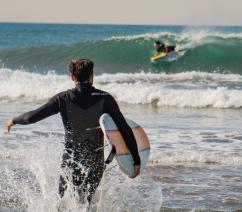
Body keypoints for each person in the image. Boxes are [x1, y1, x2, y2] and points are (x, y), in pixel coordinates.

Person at [6, 59, 141, 203]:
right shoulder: (105, 98)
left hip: (71, 160)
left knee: (63, 202)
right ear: (92, 75)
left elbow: (32, 117)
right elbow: (124, 129)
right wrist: (136, 161)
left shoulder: (62, 98)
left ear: (72, 77)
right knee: (86, 203)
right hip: (95, 162)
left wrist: (14, 120)